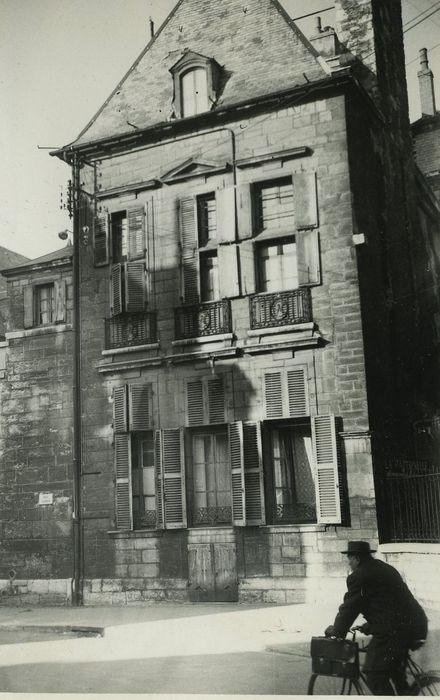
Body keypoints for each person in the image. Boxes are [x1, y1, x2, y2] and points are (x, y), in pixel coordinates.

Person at [325, 541, 428, 695]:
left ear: (357, 558)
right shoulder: (383, 568)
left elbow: (349, 609)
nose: (349, 563)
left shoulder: (359, 577)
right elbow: (386, 604)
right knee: (394, 673)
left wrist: (337, 631)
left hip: (394, 632)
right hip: (414, 625)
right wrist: (370, 626)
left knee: (374, 674)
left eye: (350, 559)